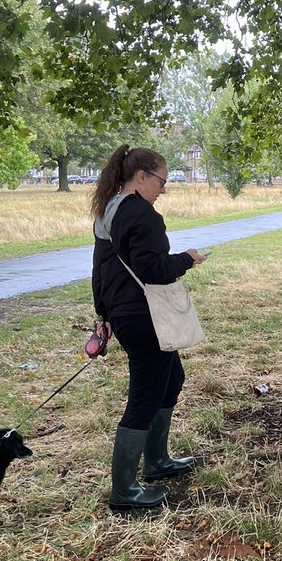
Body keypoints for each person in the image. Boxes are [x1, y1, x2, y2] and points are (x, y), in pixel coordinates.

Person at [90, 145, 208, 512]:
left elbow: (101, 271)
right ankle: (124, 489)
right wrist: (187, 259)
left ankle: (157, 462)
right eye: (161, 181)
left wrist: (104, 313)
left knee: (171, 381)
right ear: (140, 177)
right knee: (144, 397)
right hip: (145, 317)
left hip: (127, 314)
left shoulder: (109, 211)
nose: (163, 189)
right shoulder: (142, 214)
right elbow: (151, 268)